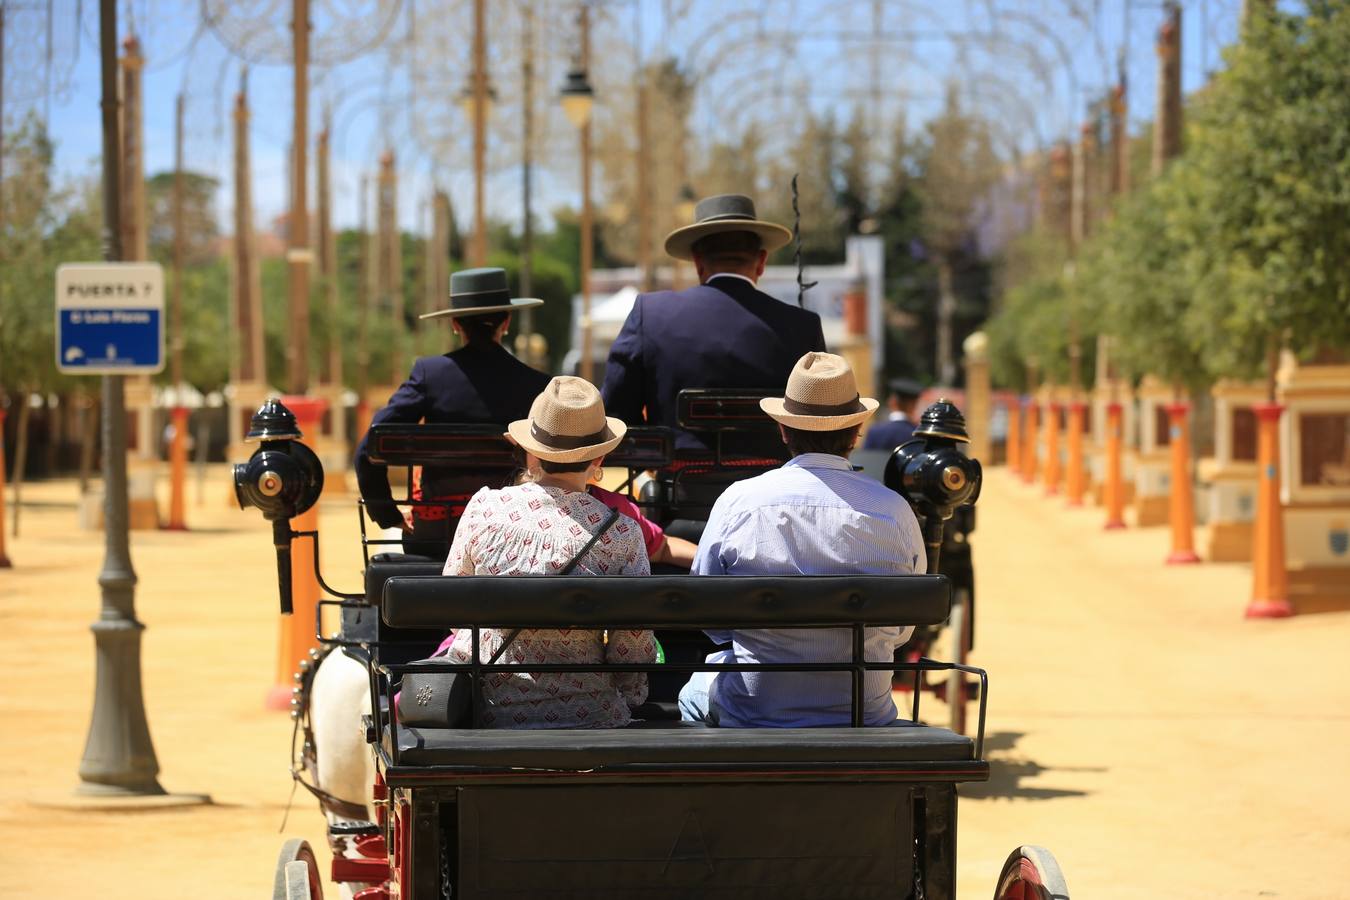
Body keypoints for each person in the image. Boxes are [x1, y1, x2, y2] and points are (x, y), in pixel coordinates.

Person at [677, 352, 926, 727]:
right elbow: (903, 629)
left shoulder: (739, 501)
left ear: (783, 430)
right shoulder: (894, 510)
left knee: (689, 692)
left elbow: (711, 619)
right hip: (864, 710)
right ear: (856, 433)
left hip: (754, 710)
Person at [440, 376, 657, 728]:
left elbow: (455, 607)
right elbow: (631, 645)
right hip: (591, 716)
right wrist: (630, 694)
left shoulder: (484, 507)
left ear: (532, 449)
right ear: (600, 456)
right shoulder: (622, 533)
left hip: (489, 709)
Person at [601, 194, 827, 454]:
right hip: (779, 488)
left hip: (679, 487)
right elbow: (821, 423)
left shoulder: (650, 313)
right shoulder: (802, 325)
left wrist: (656, 456)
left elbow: (616, 414)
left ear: (698, 262)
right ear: (762, 261)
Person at [354, 267, 550, 560]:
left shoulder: (428, 375)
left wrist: (388, 515)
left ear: (455, 324)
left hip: (437, 535)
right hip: (515, 531)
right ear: (506, 322)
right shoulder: (537, 384)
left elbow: (368, 447)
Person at [862, 377, 923, 451]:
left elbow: (865, 459)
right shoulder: (919, 433)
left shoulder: (875, 431)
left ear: (892, 402)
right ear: (914, 404)